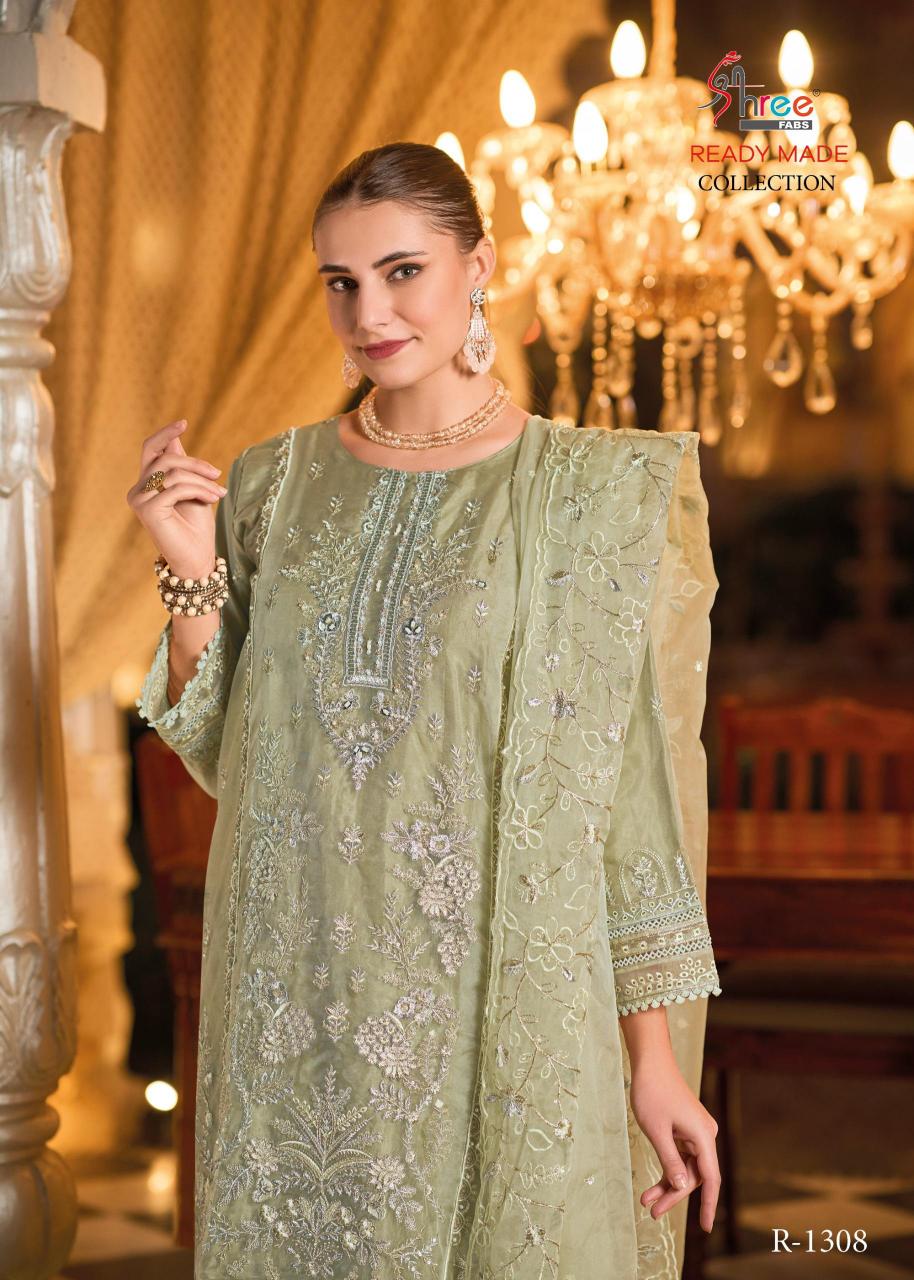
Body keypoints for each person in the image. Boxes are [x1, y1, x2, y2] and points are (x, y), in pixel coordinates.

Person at [129, 141, 723, 1279]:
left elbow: (624, 790)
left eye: (402, 271)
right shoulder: (271, 482)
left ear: (478, 266)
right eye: (341, 281)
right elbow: (229, 751)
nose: (370, 313)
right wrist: (188, 567)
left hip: (492, 1002)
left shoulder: (588, 491)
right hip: (292, 994)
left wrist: (650, 1058)